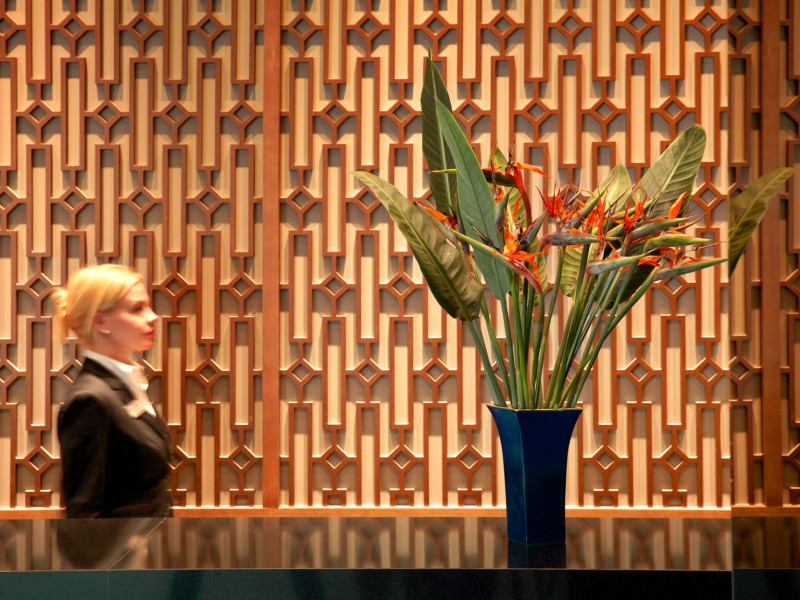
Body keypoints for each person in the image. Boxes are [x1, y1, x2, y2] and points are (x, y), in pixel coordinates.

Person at [54, 263, 172, 518]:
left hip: (151, 542)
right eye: (137, 309)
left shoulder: (126, 385)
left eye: (148, 306)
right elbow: (85, 515)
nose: (152, 316)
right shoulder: (90, 399)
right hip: (122, 545)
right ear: (101, 321)